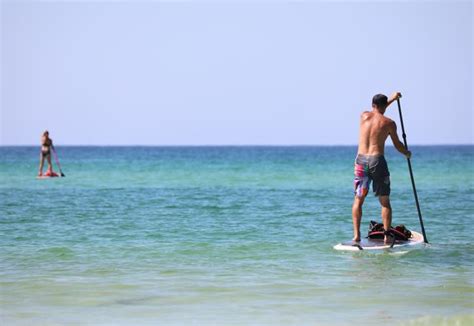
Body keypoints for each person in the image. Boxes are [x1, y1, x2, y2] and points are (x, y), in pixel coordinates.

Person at [352, 92, 411, 243]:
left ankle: (357, 236)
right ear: (385, 106)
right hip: (377, 161)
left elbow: (378, 109)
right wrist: (406, 153)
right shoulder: (389, 123)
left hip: (360, 161)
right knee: (385, 201)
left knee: (358, 200)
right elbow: (398, 145)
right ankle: (386, 236)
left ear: (372, 105)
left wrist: (391, 99)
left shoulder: (363, 116)